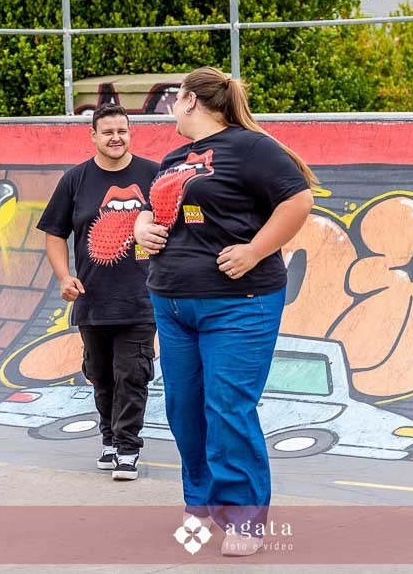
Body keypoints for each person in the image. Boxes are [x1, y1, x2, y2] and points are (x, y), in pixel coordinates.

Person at [133, 67, 316, 556]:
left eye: (175, 99)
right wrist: (141, 226)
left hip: (238, 305)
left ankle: (244, 518)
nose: (172, 109)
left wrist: (255, 250)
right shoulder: (175, 158)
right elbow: (156, 210)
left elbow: (298, 200)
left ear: (191, 100)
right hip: (171, 302)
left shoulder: (251, 147)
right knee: (184, 408)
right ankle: (200, 501)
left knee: (226, 408)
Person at [37, 102, 159, 481]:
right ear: (93, 135)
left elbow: (177, 223)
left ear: (130, 133)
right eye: (108, 132)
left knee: (132, 374)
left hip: (142, 298)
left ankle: (127, 448)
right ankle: (109, 439)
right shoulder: (75, 180)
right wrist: (64, 277)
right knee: (101, 376)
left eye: (122, 131)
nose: (116, 138)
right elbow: (54, 232)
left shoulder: (154, 175)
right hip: (93, 299)